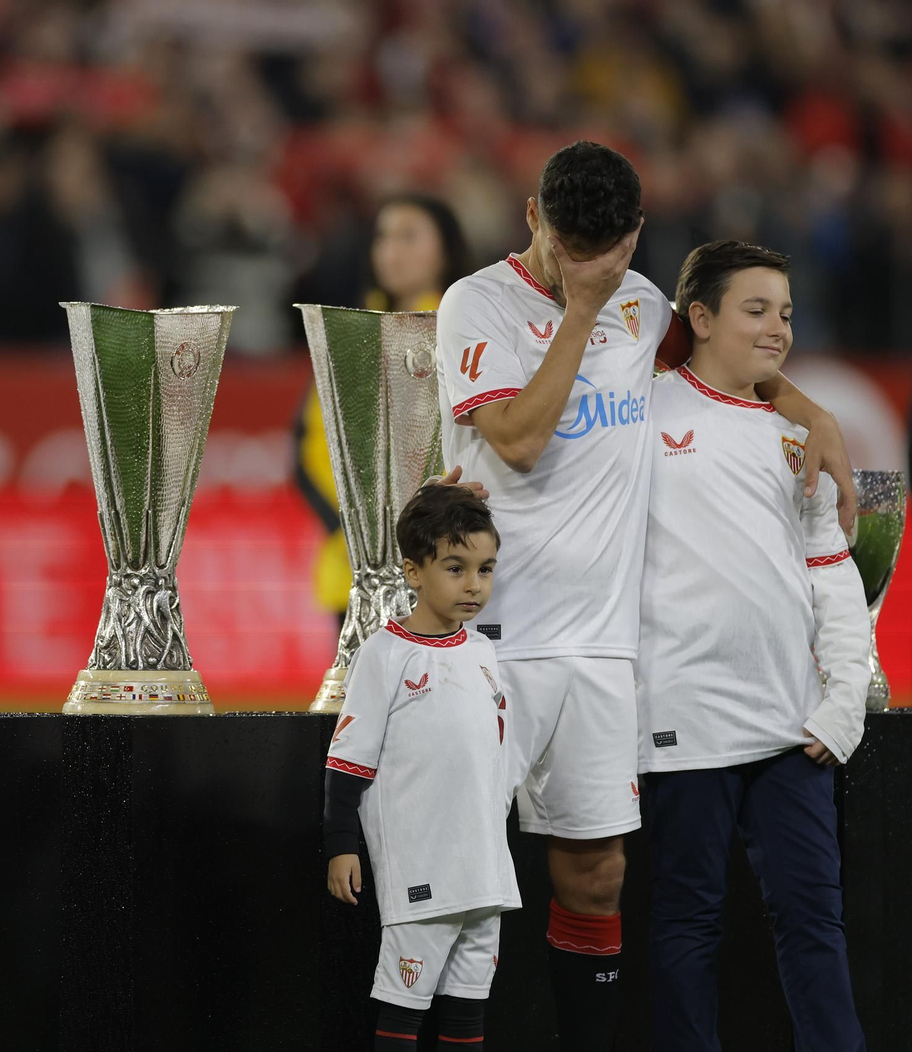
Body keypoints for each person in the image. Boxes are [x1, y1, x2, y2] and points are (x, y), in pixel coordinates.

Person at [433, 141, 856, 1049]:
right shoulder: (479, 302)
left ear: (636, 234)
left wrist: (812, 412)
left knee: (597, 877)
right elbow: (515, 440)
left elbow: (729, 367)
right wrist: (582, 309)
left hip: (599, 648)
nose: (584, 267)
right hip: (492, 632)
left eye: (610, 250)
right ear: (532, 217)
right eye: (565, 246)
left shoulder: (646, 301)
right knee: (458, 875)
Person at [638, 240, 870, 1050]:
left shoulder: (798, 434)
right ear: (698, 318)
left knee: (815, 921)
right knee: (685, 926)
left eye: (787, 314)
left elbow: (831, 571)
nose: (778, 329)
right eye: (757, 309)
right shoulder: (639, 411)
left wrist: (844, 701)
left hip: (789, 730)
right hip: (680, 721)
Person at [324, 484, 518, 1049]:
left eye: (485, 569)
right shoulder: (384, 655)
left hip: (484, 871)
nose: (474, 585)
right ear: (413, 571)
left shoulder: (484, 653)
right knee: (403, 1013)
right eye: (456, 568)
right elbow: (347, 762)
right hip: (422, 871)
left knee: (467, 1014)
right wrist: (342, 845)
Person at [295, 196, 472, 628]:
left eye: (409, 236)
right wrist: (357, 525)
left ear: (446, 249)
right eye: (383, 237)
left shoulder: (468, 330)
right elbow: (309, 446)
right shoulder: (346, 334)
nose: (392, 250)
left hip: (445, 552)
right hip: (356, 559)